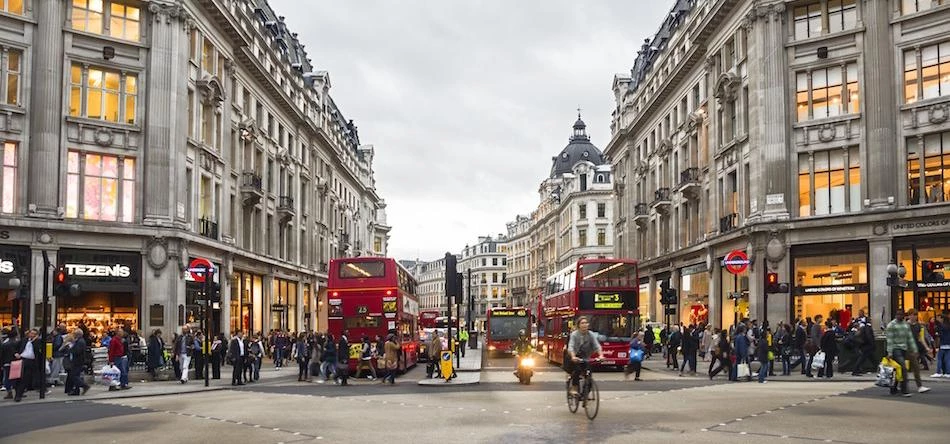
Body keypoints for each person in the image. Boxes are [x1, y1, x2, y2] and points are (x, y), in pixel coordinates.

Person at [567, 316, 602, 396]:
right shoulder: (574, 335)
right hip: (574, 356)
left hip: (585, 357)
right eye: (582, 323)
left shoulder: (591, 334)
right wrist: (573, 356)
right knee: (577, 370)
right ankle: (574, 388)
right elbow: (571, 347)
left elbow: (597, 346)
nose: (584, 325)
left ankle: (585, 394)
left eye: (586, 323)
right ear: (578, 325)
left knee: (589, 374)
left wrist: (601, 355)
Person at [903, 310, 931, 393]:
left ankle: (919, 386)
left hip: (913, 349)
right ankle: (898, 385)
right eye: (912, 315)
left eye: (915, 315)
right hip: (905, 348)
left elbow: (920, 338)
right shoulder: (905, 325)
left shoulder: (918, 326)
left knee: (916, 368)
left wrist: (926, 347)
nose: (914, 317)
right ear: (908, 316)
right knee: (902, 368)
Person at [13, 328, 41, 402]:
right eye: (31, 333)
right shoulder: (24, 340)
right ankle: (18, 393)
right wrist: (16, 353)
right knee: (17, 378)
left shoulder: (37, 342)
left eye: (34, 334)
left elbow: (38, 349)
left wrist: (34, 340)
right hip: (21, 359)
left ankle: (18, 395)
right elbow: (15, 347)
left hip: (30, 361)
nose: (32, 335)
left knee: (25, 379)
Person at [933, 313, 950, 378]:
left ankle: (938, 372)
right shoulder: (948, 325)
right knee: (947, 359)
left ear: (942, 318)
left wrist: (937, 333)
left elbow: (939, 334)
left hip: (943, 343)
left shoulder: (941, 326)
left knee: (939, 358)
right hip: (948, 344)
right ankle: (948, 373)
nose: (938, 319)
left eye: (939, 318)